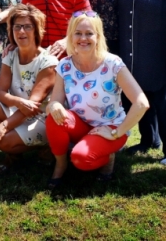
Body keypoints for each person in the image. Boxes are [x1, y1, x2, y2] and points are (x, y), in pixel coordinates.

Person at [46, 11, 149, 189]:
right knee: (53, 119)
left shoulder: (113, 64)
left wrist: (117, 132)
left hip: (110, 127)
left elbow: (141, 103)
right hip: (81, 125)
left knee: (80, 159)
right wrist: (54, 106)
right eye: (78, 33)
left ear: (98, 36)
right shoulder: (65, 65)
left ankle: (108, 157)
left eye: (89, 33)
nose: (83, 38)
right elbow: (54, 102)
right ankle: (61, 164)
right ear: (71, 36)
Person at [0, 4, 58, 172]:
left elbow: (32, 107)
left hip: (41, 117)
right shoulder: (10, 56)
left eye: (27, 26)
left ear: (37, 30)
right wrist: (17, 101)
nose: (21, 31)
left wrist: (1, 128)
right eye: (17, 26)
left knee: (3, 141)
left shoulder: (48, 63)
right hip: (20, 110)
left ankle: (46, 147)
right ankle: (14, 156)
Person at [118, 0, 166, 162]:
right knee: (138, 94)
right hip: (131, 48)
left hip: (158, 49)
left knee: (162, 99)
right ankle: (149, 140)